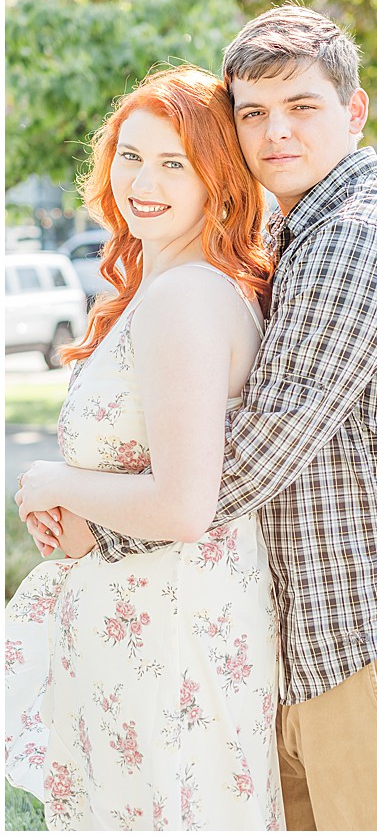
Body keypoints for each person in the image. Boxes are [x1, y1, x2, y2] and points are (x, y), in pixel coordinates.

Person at [18, 6, 377, 830]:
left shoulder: (355, 240)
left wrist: (82, 510)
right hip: (313, 644)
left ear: (355, 111)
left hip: (374, 633)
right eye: (254, 114)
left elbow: (254, 454)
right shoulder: (299, 241)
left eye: (302, 107)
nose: (276, 134)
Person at [7, 65, 283, 829]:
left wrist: (50, 483)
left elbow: (184, 503)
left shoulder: (186, 299)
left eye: (174, 161)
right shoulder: (174, 288)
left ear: (216, 178)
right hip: (151, 628)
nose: (144, 180)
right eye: (131, 155)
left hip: (167, 645)